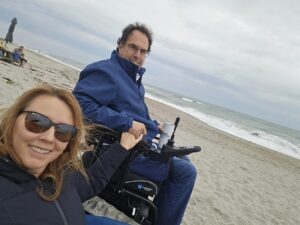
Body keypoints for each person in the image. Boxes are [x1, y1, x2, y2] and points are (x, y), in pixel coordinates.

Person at [73, 22, 197, 225]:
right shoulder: (106, 71)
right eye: (132, 47)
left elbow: (135, 113)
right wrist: (126, 122)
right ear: (120, 45)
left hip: (141, 146)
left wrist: (153, 125)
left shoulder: (134, 81)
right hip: (122, 153)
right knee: (186, 172)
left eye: (143, 51)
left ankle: (154, 211)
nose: (137, 54)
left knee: (184, 158)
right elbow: (79, 106)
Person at [0, 85, 142, 225]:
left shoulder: (59, 173)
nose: (49, 138)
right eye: (37, 122)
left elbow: (91, 182)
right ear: (13, 121)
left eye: (63, 131)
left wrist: (123, 147)